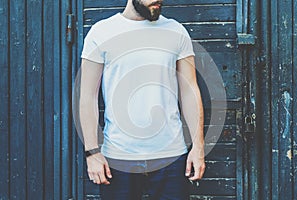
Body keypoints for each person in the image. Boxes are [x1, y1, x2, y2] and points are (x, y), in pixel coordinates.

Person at [79, 0, 205, 199]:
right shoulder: (101, 32)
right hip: (118, 159)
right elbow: (87, 96)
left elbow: (190, 92)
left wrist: (198, 148)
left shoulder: (176, 31)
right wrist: (92, 153)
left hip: (171, 156)